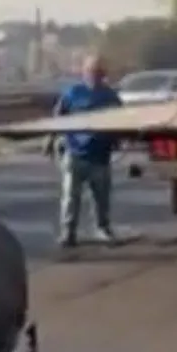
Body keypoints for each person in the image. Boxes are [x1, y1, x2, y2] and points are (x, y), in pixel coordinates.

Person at [44, 55, 123, 248]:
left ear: (102, 75)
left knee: (101, 197)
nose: (93, 76)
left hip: (100, 155)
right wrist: (50, 139)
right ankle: (68, 232)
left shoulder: (110, 96)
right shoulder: (73, 93)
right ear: (83, 72)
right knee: (71, 197)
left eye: (97, 72)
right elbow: (58, 116)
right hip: (75, 152)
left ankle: (103, 228)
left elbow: (122, 119)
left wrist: (119, 140)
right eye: (90, 71)